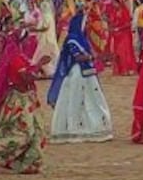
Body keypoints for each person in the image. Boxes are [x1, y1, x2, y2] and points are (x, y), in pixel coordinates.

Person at [0, 30, 49, 174]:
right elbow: (26, 77)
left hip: (27, 100)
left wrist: (38, 68)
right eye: (25, 39)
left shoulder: (20, 57)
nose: (28, 42)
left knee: (36, 131)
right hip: (18, 102)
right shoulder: (15, 59)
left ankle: (26, 163)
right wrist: (39, 64)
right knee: (21, 134)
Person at [47, 11, 113, 143]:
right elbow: (77, 57)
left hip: (87, 73)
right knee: (76, 99)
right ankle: (76, 129)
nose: (87, 25)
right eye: (85, 22)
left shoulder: (82, 38)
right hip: (77, 73)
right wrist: (92, 57)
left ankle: (92, 127)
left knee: (90, 99)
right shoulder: (72, 39)